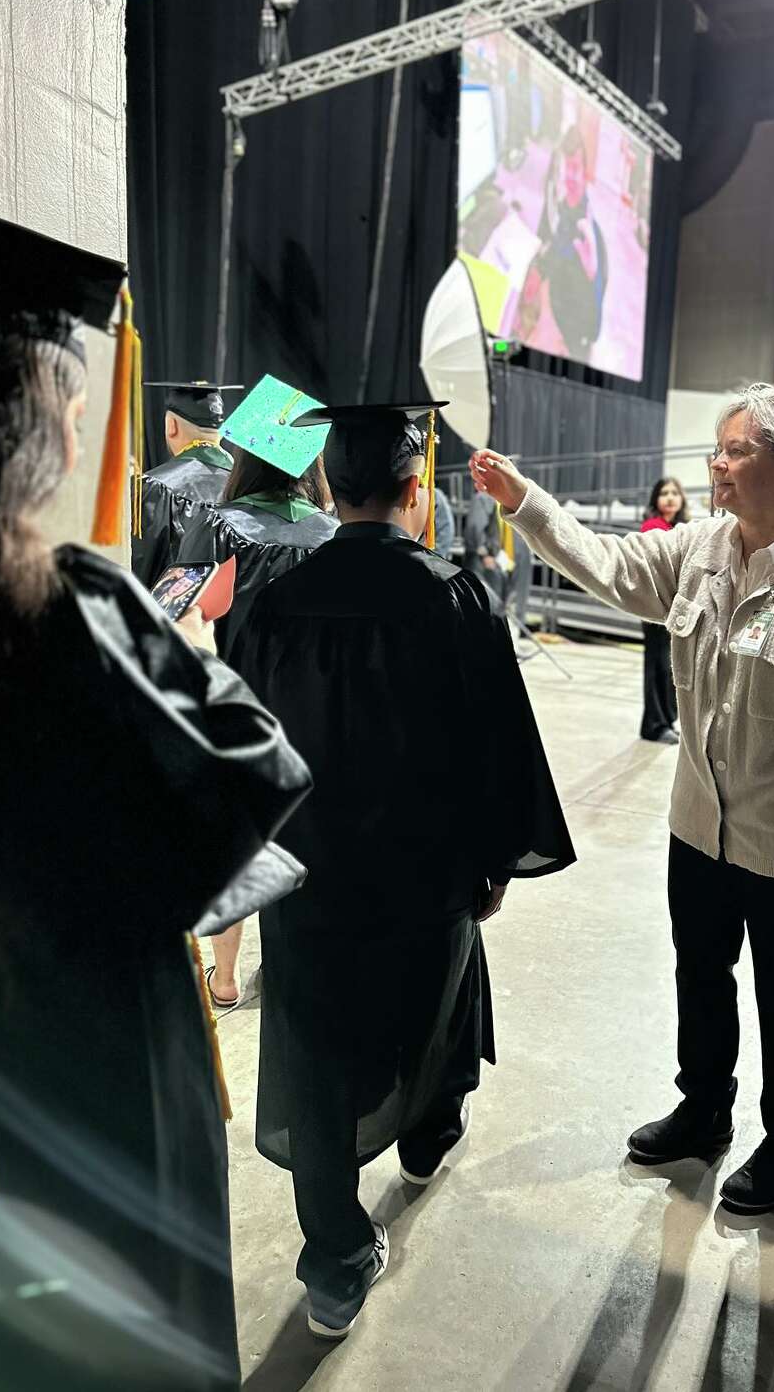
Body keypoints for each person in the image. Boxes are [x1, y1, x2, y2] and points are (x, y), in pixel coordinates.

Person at [0, 186, 311, 1392]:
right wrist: (177, 638)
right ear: (14, 427)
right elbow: (240, 780)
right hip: (70, 1036)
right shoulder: (60, 604)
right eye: (66, 397)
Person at [471, 383, 774, 1214]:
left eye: (737, 450)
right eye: (719, 447)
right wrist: (524, 502)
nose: (717, 462)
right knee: (701, 973)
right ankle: (704, 1110)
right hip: (698, 828)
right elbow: (608, 565)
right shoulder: (701, 547)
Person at [231, 400, 575, 1339]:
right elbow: (495, 744)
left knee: (313, 1041)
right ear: (415, 489)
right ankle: (429, 1134)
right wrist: (499, 858)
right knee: (438, 994)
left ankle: (334, 1261)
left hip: (306, 874)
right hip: (421, 866)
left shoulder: (271, 604)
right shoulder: (451, 593)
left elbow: (241, 745)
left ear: (327, 486)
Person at [176, 408, 338, 1010]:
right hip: (315, 710)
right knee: (302, 835)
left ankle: (222, 978)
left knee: (236, 839)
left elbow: (178, 606)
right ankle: (287, 966)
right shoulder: (329, 531)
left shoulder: (220, 523)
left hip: (237, 707)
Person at [130, 380, 239, 587]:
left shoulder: (153, 488)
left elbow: (139, 572)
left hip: (170, 615)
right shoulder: (250, 488)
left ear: (171, 426)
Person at [517, 125, 608, 359]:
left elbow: (593, 331)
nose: (569, 177)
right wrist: (539, 268)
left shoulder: (591, 239)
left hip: (566, 336)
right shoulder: (562, 210)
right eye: (566, 168)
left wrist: (592, 275)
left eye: (575, 168)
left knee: (508, 347)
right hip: (553, 302)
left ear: (587, 171)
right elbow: (555, 246)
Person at [639, 476, 689, 745]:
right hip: (656, 606)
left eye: (674, 493)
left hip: (674, 607)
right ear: (656, 499)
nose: (669, 498)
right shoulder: (653, 527)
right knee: (657, 665)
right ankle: (653, 725)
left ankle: (667, 719)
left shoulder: (679, 528)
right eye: (664, 493)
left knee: (670, 666)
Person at [465, 487, 532, 639]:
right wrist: (483, 553)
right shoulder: (483, 498)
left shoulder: (514, 502)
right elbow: (475, 528)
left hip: (511, 562)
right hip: (489, 563)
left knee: (509, 607)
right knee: (486, 607)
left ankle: (507, 643)